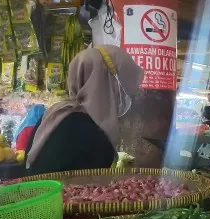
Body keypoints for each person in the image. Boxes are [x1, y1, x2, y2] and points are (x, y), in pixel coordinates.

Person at [25, 45, 143, 174]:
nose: (130, 95)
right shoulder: (92, 133)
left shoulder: (55, 114)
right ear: (109, 84)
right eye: (126, 89)